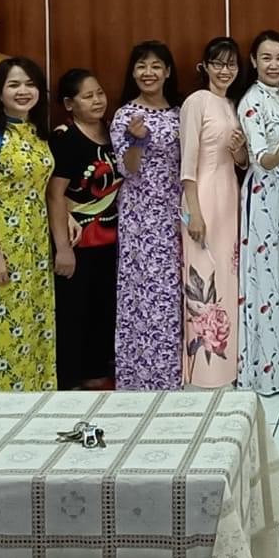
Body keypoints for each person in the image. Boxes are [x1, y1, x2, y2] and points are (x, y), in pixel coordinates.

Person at [0, 57, 56, 390]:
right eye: (14, 85)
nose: (23, 91)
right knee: (5, 324)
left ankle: (37, 394)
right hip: (4, 243)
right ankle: (1, 402)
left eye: (30, 84)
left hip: (37, 241)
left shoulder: (38, 134)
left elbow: (43, 184)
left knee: (35, 320)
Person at [111, 40, 184, 391]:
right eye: (141, 65)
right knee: (142, 294)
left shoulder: (181, 112)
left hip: (177, 211)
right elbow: (128, 169)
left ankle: (175, 373)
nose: (148, 72)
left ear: (168, 71)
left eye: (156, 65)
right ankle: (140, 378)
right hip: (142, 215)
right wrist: (137, 140)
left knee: (173, 292)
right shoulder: (126, 115)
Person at [180, 37, 246, 387]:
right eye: (217, 63)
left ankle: (228, 365)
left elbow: (241, 161)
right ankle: (203, 371)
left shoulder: (231, 105)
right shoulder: (197, 102)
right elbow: (188, 162)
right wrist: (194, 212)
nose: (224, 70)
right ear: (204, 66)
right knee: (201, 277)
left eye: (230, 64)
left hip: (228, 194)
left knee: (226, 276)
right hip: (203, 195)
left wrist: (239, 150)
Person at [49, 69, 119, 390]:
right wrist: (63, 248)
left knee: (103, 308)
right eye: (87, 96)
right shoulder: (66, 138)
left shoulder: (112, 131)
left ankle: (96, 372)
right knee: (73, 311)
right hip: (78, 239)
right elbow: (54, 194)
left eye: (99, 93)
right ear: (69, 103)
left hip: (111, 237)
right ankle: (70, 380)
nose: (97, 100)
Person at [236, 31, 279, 395]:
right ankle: (263, 373)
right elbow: (259, 158)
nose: (274, 64)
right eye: (267, 58)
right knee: (264, 282)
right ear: (254, 61)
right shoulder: (251, 100)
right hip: (262, 198)